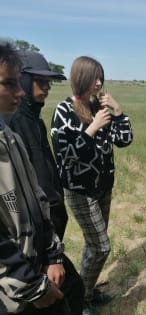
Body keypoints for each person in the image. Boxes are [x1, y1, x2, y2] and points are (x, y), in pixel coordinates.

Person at [51, 56, 133, 315]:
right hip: (79, 190)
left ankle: (87, 288)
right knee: (101, 246)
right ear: (81, 78)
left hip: (103, 186)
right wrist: (92, 129)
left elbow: (125, 140)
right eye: (94, 77)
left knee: (92, 244)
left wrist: (118, 113)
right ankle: (81, 299)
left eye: (101, 77)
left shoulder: (101, 107)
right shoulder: (63, 111)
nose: (99, 83)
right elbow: (65, 156)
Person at [6, 50, 85, 315]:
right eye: (41, 81)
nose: (48, 88)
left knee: (71, 289)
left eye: (50, 82)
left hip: (45, 236)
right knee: (66, 293)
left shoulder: (31, 122)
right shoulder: (13, 123)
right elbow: (15, 201)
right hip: (28, 246)